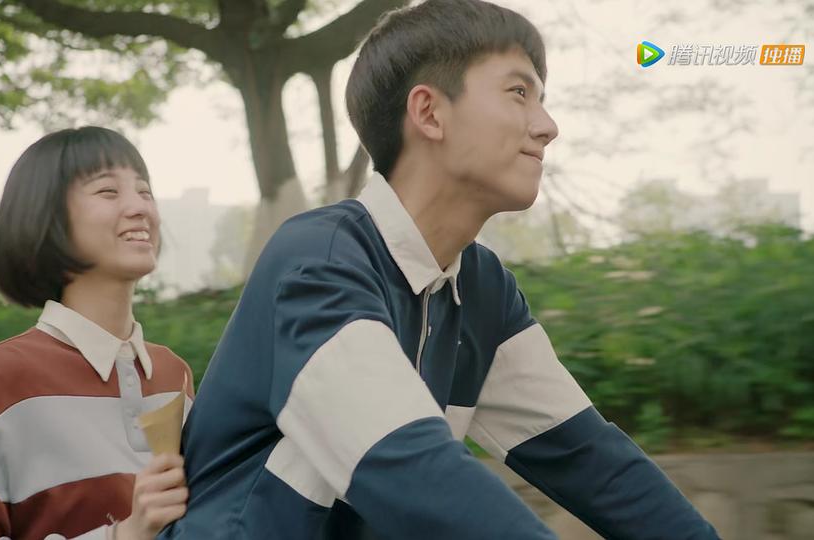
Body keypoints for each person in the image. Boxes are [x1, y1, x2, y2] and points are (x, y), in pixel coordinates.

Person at [167, 0, 722, 538]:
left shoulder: (481, 288)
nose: (548, 126)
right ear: (430, 113)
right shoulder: (320, 262)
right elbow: (407, 465)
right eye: (519, 92)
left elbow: (588, 459)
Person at [0, 126, 194, 540]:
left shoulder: (173, 374)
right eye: (108, 192)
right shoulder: (8, 375)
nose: (140, 208)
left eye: (145, 191)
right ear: (48, 217)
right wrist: (123, 535)